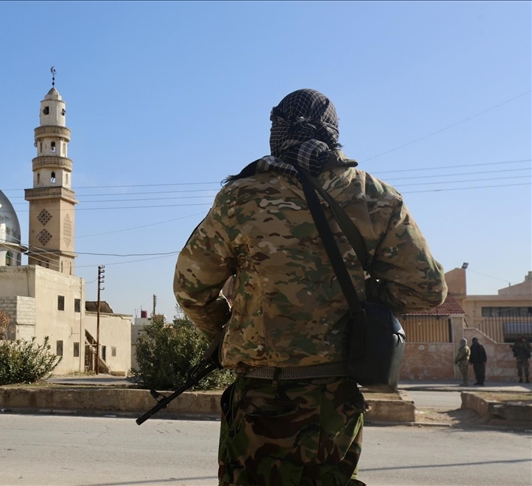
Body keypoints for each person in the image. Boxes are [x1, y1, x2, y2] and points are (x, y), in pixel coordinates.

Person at [173, 89, 447, 486]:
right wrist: (362, 299)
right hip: (334, 399)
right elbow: (427, 289)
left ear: (277, 132)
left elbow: (190, 289)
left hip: (259, 397)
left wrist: (225, 331)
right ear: (333, 132)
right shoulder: (375, 197)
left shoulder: (238, 198)